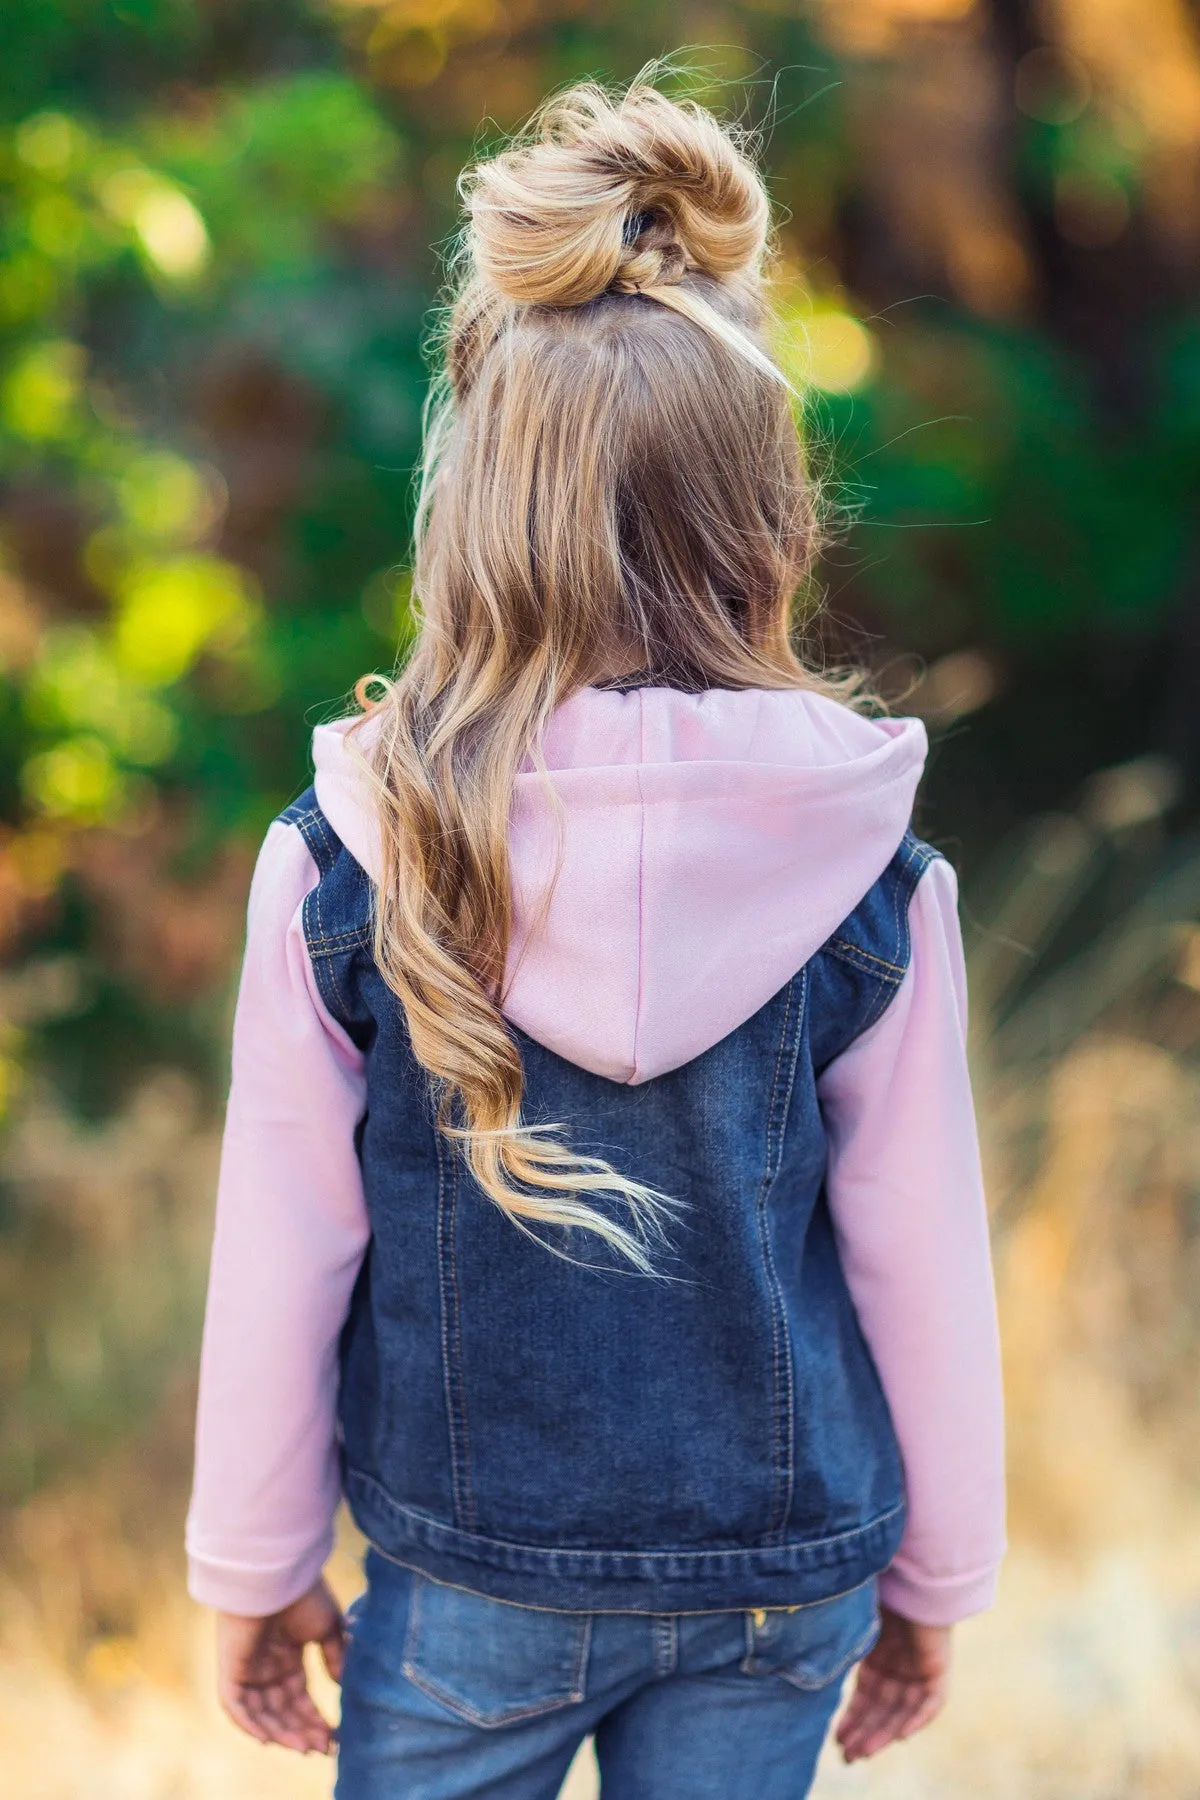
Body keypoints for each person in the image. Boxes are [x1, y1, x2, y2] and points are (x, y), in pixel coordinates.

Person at [186, 75, 1005, 1800]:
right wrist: (938, 1574)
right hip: (784, 1585)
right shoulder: (875, 870)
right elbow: (923, 1257)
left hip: (470, 1580)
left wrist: (252, 1574)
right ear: (765, 521)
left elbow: (284, 1251)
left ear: (474, 507)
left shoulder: (347, 854)